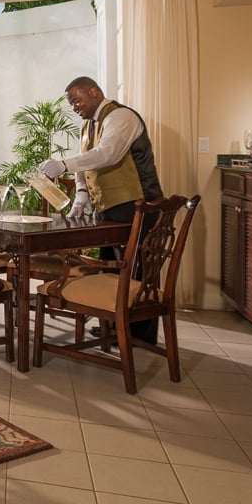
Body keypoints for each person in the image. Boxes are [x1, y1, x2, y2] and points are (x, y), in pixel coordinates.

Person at [38, 75, 163, 344]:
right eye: (71, 104)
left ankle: (138, 334)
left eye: (76, 100)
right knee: (111, 266)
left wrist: (62, 164)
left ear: (93, 92)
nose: (74, 107)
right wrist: (81, 196)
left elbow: (108, 154)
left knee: (137, 268)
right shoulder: (87, 127)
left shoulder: (121, 117)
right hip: (108, 207)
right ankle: (113, 325)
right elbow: (87, 163)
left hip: (138, 204)